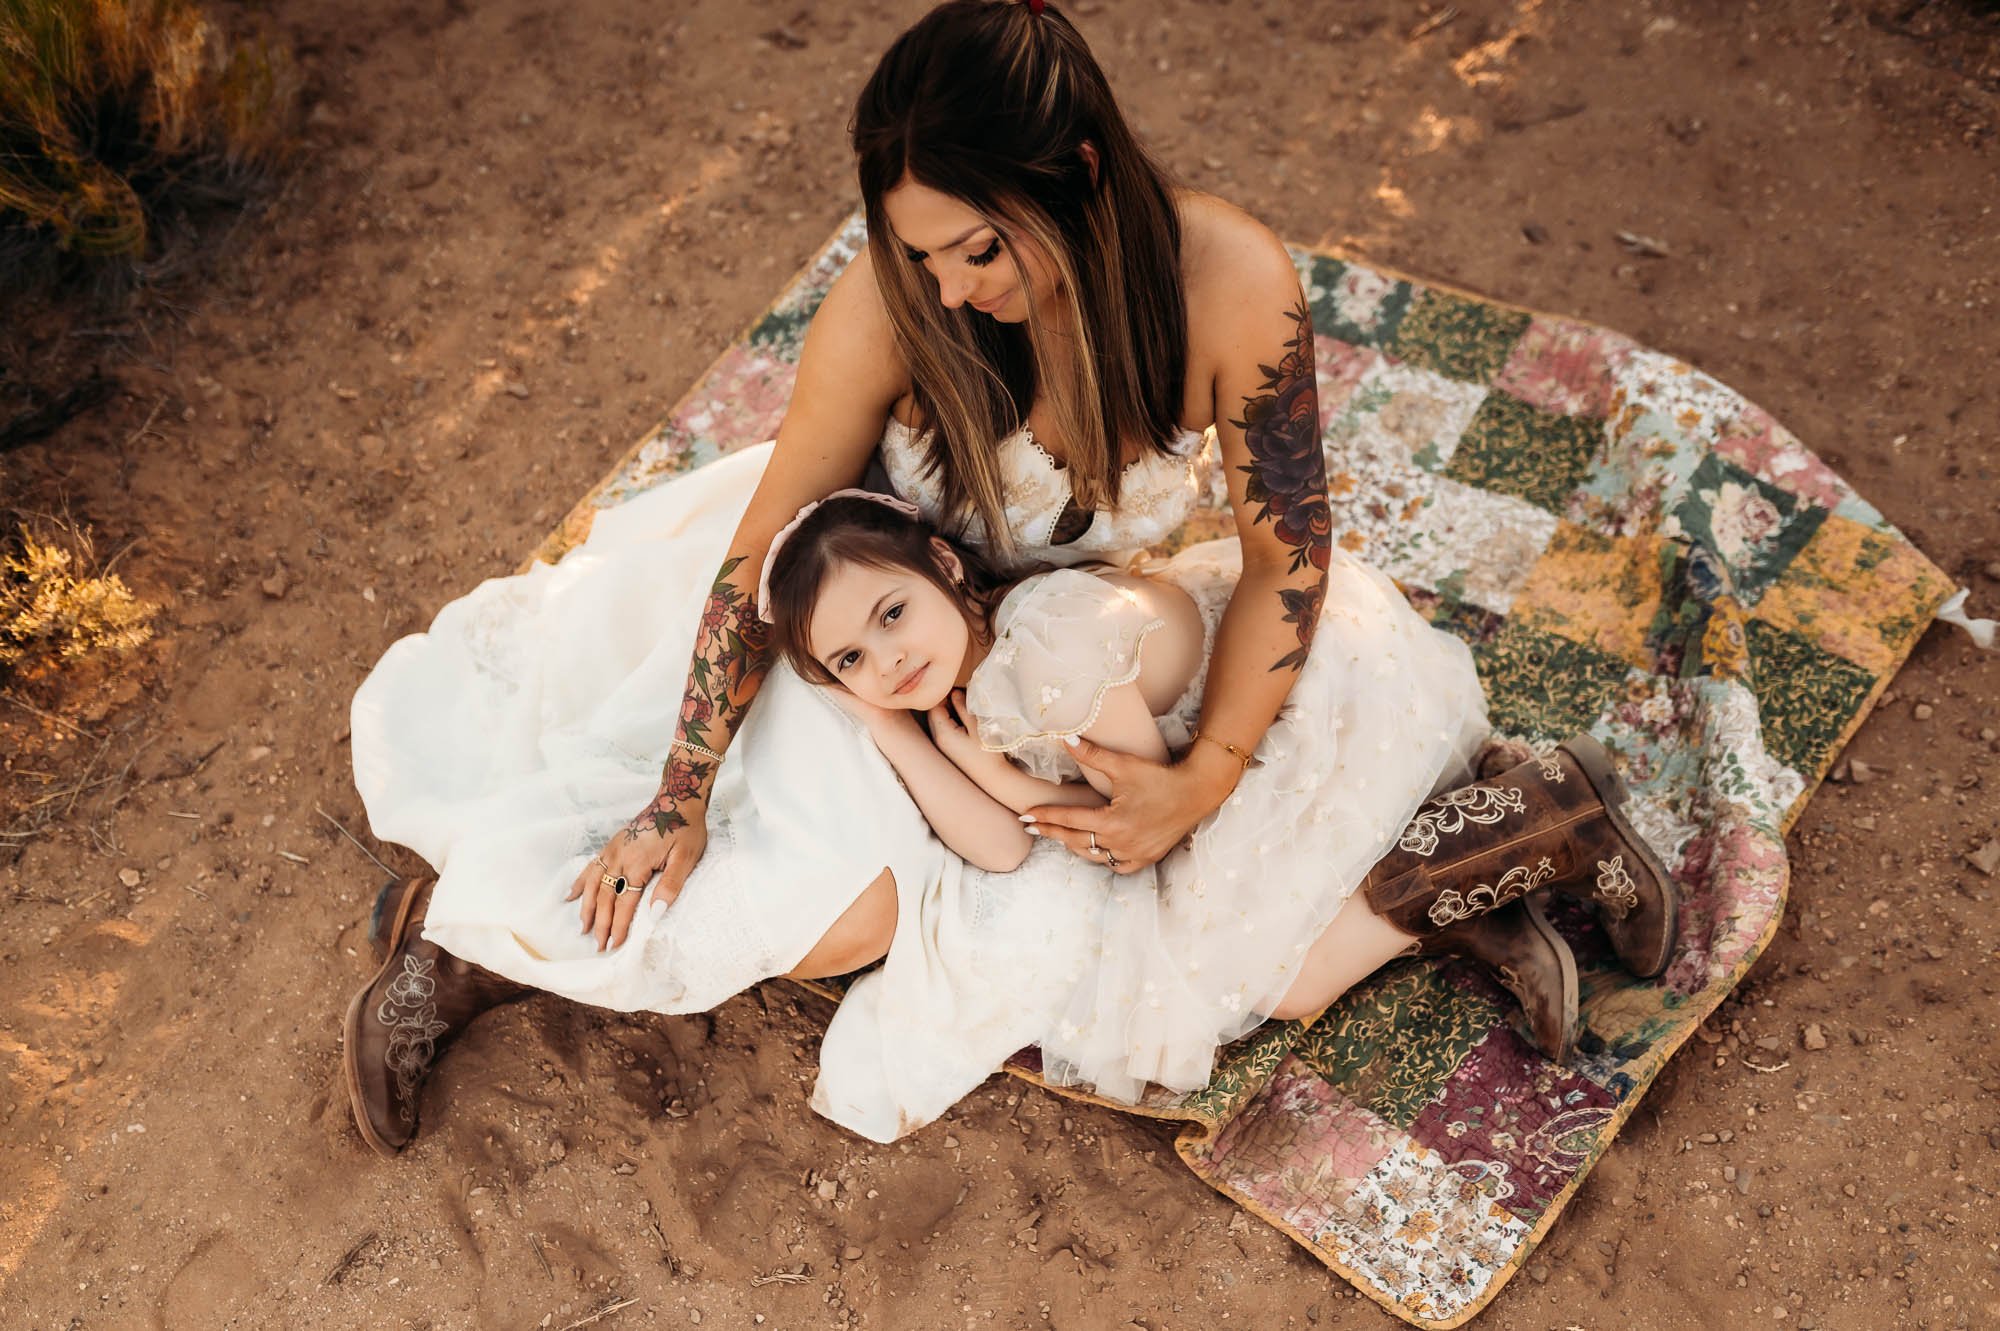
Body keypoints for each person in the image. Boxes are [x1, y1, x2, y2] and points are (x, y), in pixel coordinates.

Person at [342, 0, 1675, 1155]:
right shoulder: (892, 307)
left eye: (977, 247)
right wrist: (684, 787)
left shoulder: (1228, 281)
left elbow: (1288, 551)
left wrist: (1204, 772)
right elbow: (768, 555)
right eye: (917, 254)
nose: (949, 286)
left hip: (1053, 644)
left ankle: (1486, 855)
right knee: (835, 908)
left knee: (1223, 844)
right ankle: (460, 946)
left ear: (1079, 174)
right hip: (863, 616)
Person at [751, 491, 1673, 1130]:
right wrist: (911, 737)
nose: (888, 661)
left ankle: (1549, 808)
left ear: (946, 565)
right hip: (1194, 770)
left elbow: (1147, 816)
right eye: (850, 664)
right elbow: (998, 848)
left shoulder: (1044, 645)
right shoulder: (962, 689)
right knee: (1261, 954)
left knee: (1276, 975)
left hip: (1298, 705)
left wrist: (999, 777)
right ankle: (1490, 861)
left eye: (891, 614)